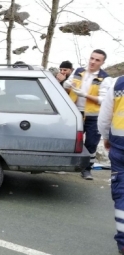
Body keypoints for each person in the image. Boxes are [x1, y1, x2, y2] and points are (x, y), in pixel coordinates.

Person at [64, 49, 113, 180]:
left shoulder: (105, 78)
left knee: (91, 144)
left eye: (97, 60)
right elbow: (67, 85)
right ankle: (67, 165)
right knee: (71, 140)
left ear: (102, 62)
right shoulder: (78, 71)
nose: (93, 62)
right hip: (75, 112)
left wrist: (85, 95)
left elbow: (103, 100)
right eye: (92, 58)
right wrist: (67, 84)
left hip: (93, 116)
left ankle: (87, 169)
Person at [98, 74, 124, 254]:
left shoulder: (118, 83)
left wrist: (106, 137)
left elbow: (105, 117)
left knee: (122, 192)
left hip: (120, 146)